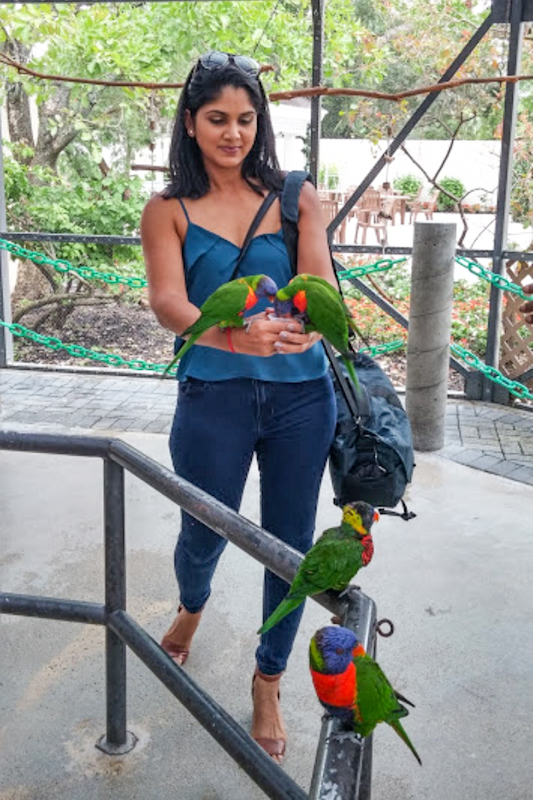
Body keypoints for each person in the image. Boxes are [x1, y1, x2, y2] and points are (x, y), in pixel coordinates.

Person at [141, 50, 337, 763]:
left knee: (289, 550)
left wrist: (309, 320)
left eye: (246, 119)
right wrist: (229, 333)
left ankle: (268, 678)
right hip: (211, 395)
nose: (233, 133)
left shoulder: (295, 194)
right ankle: (192, 606)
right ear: (190, 124)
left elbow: (318, 285)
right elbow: (167, 301)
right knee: (204, 531)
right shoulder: (167, 207)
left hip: (301, 400)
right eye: (218, 119)